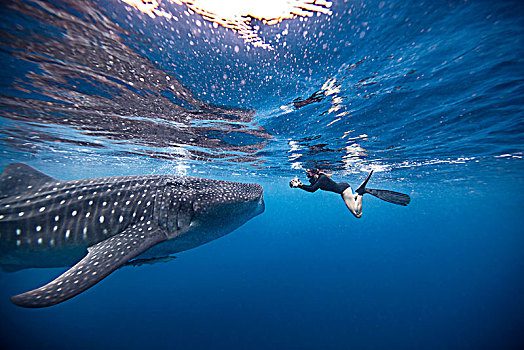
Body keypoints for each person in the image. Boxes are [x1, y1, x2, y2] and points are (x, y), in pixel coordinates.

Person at [289, 169, 410, 218]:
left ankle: (361, 193)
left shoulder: (321, 178)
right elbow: (311, 187)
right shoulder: (316, 179)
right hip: (343, 189)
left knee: (358, 214)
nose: (308, 176)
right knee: (357, 212)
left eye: (309, 174)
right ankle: (357, 194)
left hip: (343, 190)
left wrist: (299, 185)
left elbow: (312, 190)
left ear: (315, 171)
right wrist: (299, 184)